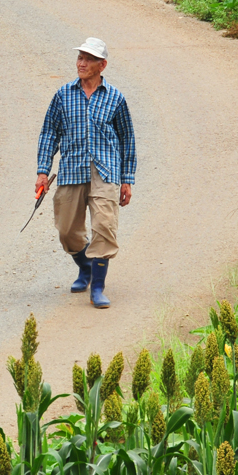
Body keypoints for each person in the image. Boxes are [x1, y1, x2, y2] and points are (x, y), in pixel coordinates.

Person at [35, 37, 136, 309]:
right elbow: (49, 133)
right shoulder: (63, 95)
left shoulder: (115, 98)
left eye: (89, 59)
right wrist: (43, 171)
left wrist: (127, 180)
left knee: (104, 226)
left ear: (102, 65)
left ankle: (98, 288)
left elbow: (127, 140)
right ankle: (86, 267)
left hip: (106, 171)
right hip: (72, 168)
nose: (82, 63)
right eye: (80, 57)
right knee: (67, 230)